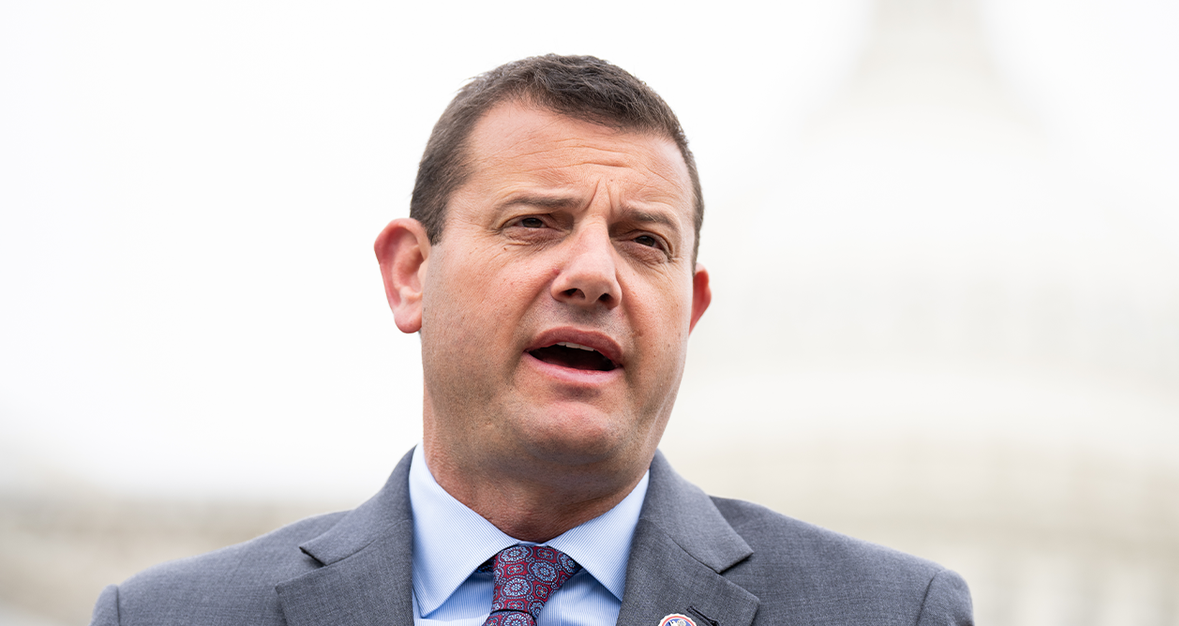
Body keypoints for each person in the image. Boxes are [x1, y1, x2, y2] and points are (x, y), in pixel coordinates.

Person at [89, 54, 973, 626]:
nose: (593, 274)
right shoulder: (173, 616)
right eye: (535, 222)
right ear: (409, 275)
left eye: (645, 241)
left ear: (691, 311)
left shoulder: (891, 613)